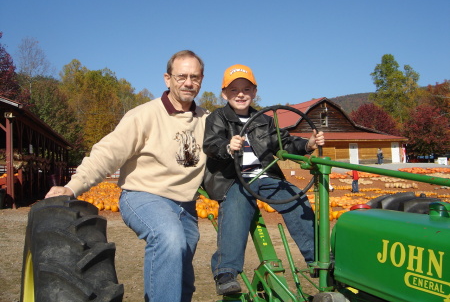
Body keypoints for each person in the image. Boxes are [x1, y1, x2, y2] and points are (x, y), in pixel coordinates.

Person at [45, 50, 209, 302]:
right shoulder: (144, 115)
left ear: (201, 79)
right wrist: (72, 186)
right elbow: (108, 153)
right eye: (182, 76)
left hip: (186, 206)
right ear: (167, 79)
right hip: (144, 196)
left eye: (195, 77)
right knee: (168, 237)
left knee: (183, 276)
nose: (188, 82)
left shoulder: (206, 120)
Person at [202, 64, 325, 295]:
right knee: (237, 205)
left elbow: (285, 142)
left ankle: (316, 258)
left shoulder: (264, 120)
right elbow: (210, 144)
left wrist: (307, 145)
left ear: (254, 92)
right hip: (232, 178)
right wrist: (228, 146)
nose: (240, 94)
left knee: (294, 196)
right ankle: (226, 271)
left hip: (264, 176)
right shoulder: (218, 118)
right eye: (234, 89)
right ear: (224, 93)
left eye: (246, 89)